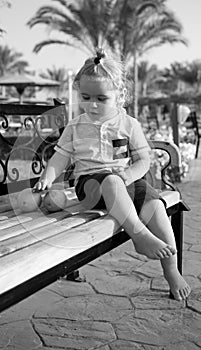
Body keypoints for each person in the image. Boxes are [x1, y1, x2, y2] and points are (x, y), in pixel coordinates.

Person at [34, 48, 191, 301]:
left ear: (119, 95)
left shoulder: (129, 124)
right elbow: (61, 156)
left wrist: (127, 177)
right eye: (86, 97)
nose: (92, 104)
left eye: (101, 98)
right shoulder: (76, 125)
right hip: (91, 187)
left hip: (126, 181)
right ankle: (138, 235)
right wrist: (48, 177)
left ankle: (171, 271)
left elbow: (143, 160)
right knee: (110, 181)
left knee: (156, 206)